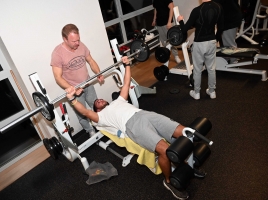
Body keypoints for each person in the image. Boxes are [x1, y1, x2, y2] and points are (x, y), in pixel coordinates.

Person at [65, 56, 205, 200]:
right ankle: (169, 182)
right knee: (165, 150)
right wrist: (72, 99)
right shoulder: (100, 117)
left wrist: (127, 64)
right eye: (97, 103)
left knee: (185, 132)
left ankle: (190, 166)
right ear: (97, 110)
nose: (99, 100)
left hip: (145, 114)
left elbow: (126, 83)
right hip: (132, 126)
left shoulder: (119, 100)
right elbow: (85, 112)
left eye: (100, 99)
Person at [50, 24, 104, 137]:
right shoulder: (58, 53)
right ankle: (90, 130)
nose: (77, 43)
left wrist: (98, 73)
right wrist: (72, 88)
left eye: (78, 40)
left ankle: (102, 124)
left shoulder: (81, 45)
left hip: (88, 84)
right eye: (74, 41)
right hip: (75, 90)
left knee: (97, 106)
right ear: (65, 39)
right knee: (82, 113)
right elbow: (58, 77)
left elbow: (91, 61)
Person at [177, 0, 224, 100]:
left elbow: (184, 29)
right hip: (211, 41)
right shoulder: (218, 7)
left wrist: (180, 20)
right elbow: (221, 27)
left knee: (197, 70)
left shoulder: (197, 10)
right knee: (211, 68)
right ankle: (212, 92)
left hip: (199, 43)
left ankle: (197, 93)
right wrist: (215, 38)